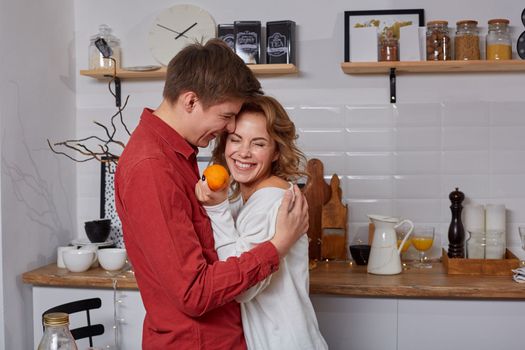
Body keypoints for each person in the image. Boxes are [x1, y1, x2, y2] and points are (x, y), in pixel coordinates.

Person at [114, 39, 309, 349]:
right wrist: (276, 248)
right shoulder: (152, 167)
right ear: (191, 101)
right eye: (226, 116)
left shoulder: (176, 155)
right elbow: (194, 292)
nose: (228, 127)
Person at [195, 96, 328, 350]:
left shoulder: (272, 200)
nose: (243, 152)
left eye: (258, 144)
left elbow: (242, 288)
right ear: (225, 143)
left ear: (276, 151)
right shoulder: (245, 196)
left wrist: (217, 209)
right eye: (236, 140)